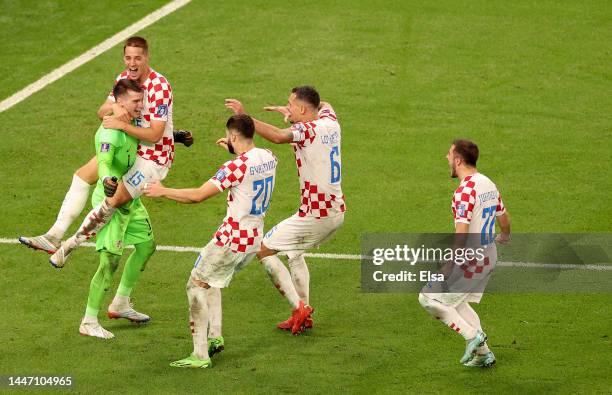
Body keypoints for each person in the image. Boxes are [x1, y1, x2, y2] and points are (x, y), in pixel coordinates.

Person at [19, 36, 192, 255]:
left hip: (154, 158)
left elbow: (156, 135)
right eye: (128, 58)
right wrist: (115, 110)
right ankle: (53, 237)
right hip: (129, 147)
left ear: (147, 58)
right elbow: (102, 110)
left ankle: (69, 247)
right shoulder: (123, 79)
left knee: (113, 201)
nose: (132, 63)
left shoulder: (160, 87)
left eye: (137, 58)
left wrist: (121, 125)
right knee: (82, 176)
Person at [144, 114, 277, 368]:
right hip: (253, 239)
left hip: (231, 239)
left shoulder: (234, 168)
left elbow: (197, 196)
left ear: (234, 136)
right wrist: (232, 148)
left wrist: (163, 191)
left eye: (229, 137)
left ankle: (200, 355)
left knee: (195, 285)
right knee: (212, 280)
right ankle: (215, 336)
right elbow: (249, 163)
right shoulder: (270, 156)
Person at [225, 86, 346, 335]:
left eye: (291, 104)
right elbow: (325, 102)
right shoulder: (329, 121)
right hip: (333, 209)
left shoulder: (308, 130)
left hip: (317, 215)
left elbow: (279, 136)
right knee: (294, 253)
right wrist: (292, 112)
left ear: (303, 109)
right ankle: (304, 313)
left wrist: (245, 118)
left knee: (263, 248)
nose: (287, 107)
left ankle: (299, 308)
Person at [418, 139, 511, 368]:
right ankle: (484, 354)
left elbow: (462, 232)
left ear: (458, 160)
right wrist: (505, 236)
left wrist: (450, 264)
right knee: (457, 304)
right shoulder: (488, 183)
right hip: (489, 255)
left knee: (428, 298)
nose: (446, 158)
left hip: (471, 259)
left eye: (449, 154)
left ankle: (472, 336)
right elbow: (504, 218)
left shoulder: (464, 191)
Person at [79, 79, 156, 339]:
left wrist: (176, 137)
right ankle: (89, 320)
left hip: (130, 198)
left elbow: (148, 138)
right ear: (119, 101)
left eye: (141, 100)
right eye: (136, 101)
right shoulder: (110, 130)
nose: (140, 105)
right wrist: (106, 180)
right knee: (109, 261)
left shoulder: (131, 122)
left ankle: (121, 302)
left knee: (146, 245)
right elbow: (103, 161)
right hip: (111, 199)